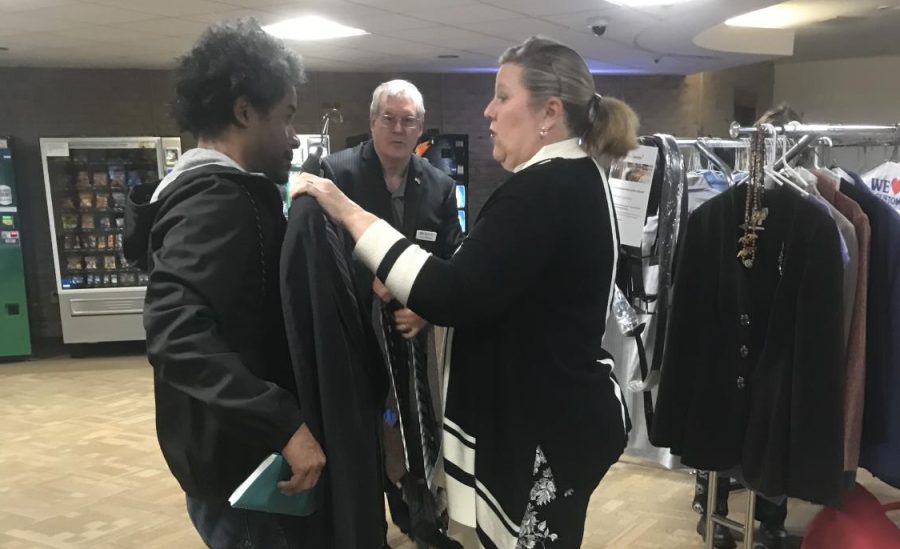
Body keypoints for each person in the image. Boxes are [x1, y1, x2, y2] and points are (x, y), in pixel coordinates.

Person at [289, 36, 636, 548]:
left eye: (502, 96)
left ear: (550, 111)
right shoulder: (572, 178)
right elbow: (487, 280)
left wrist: (345, 209)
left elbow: (451, 292)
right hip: (557, 416)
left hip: (542, 428)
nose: (488, 111)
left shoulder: (544, 189)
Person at [124, 19, 324, 548]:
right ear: (244, 112)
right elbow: (174, 332)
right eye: (286, 116)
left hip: (229, 451)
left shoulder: (214, 194)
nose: (294, 136)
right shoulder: (217, 202)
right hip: (243, 463)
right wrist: (282, 423)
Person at [303, 79, 463, 548]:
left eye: (408, 120)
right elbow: (317, 254)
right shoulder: (336, 174)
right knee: (357, 429)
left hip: (407, 337)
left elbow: (449, 261)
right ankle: (362, 527)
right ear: (372, 121)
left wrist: (425, 310)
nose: (398, 128)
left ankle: (420, 519)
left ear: (420, 127)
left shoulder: (438, 185)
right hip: (350, 332)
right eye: (389, 118)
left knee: (412, 425)